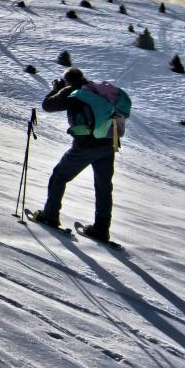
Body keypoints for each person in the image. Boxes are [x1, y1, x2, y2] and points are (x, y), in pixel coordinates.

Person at [29, 67, 117, 241]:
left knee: (59, 175)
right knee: (104, 187)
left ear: (67, 80)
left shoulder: (72, 91)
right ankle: (101, 229)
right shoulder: (95, 89)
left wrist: (57, 89)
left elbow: (47, 105)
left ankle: (50, 215)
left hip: (85, 146)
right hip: (108, 143)